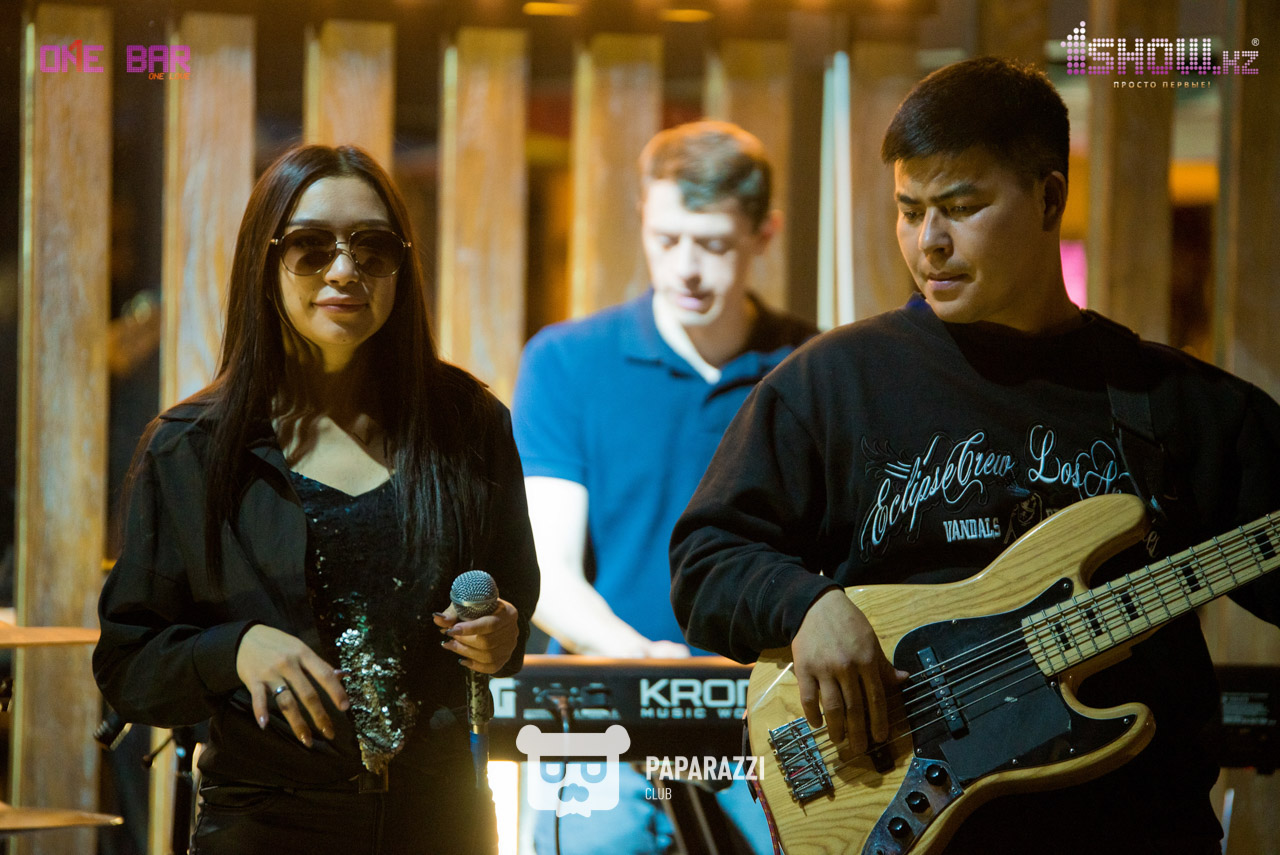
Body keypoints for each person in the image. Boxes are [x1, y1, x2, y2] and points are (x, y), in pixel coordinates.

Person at [670, 57, 1280, 855]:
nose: (930, 242)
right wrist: (808, 605)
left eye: (961, 207)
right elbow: (707, 558)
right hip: (912, 824)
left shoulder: (1175, 403)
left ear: (1049, 198)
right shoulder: (835, 381)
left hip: (1135, 827)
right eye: (909, 209)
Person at [93, 144, 539, 855]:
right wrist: (234, 649)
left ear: (401, 267)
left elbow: (512, 608)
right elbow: (128, 666)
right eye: (310, 247)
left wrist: (502, 633)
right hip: (268, 823)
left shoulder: (468, 425)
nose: (344, 270)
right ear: (264, 262)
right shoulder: (193, 447)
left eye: (372, 248)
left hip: (443, 818)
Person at [512, 121, 816, 854]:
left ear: (764, 234)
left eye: (712, 244)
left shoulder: (809, 369)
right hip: (594, 714)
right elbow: (547, 574)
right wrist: (645, 663)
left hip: (764, 721)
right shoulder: (568, 362)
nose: (685, 268)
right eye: (665, 238)